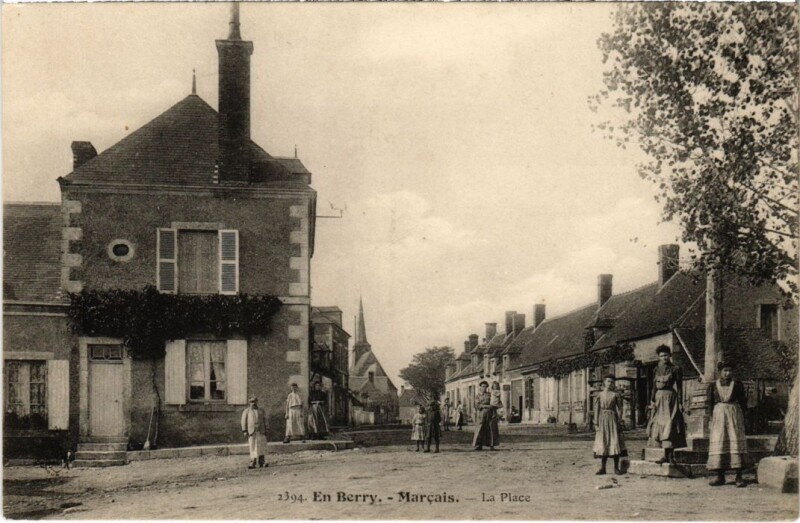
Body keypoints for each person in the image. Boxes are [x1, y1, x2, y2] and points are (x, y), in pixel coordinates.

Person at [707, 361, 749, 487]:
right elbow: (709, 402)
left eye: (730, 370)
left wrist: (743, 417)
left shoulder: (737, 384)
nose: (727, 373)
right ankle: (720, 476)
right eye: (725, 370)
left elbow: (743, 401)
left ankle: (739, 477)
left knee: (735, 441)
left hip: (733, 414)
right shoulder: (713, 385)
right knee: (720, 443)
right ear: (720, 371)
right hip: (719, 415)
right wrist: (710, 417)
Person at [648, 345, 686, 463]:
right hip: (659, 399)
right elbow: (653, 387)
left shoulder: (675, 369)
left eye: (666, 355)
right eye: (661, 356)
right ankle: (665, 455)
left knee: (671, 424)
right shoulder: (655, 369)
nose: (664, 357)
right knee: (661, 425)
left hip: (671, 399)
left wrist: (680, 402)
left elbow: (679, 387)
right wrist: (652, 400)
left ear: (670, 356)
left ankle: (671, 456)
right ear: (658, 357)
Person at [593, 375, 627, 475]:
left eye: (612, 382)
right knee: (604, 442)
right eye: (608, 381)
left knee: (614, 441)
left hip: (613, 419)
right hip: (602, 419)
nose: (610, 383)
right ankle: (603, 468)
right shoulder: (599, 395)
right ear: (604, 382)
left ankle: (616, 468)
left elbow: (620, 408)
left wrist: (620, 420)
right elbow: (596, 410)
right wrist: (596, 423)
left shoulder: (615, 395)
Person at [241, 396, 269, 469]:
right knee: (252, 447)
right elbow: (243, 421)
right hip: (252, 431)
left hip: (261, 431)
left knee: (261, 446)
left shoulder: (261, 410)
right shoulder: (247, 411)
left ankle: (261, 462)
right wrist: (244, 430)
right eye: (251, 402)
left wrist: (267, 429)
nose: (253, 403)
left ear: (257, 402)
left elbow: (265, 420)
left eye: (254, 401)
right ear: (249, 403)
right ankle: (252, 462)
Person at [472, 381, 497, 451]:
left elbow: (494, 403)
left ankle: (492, 445)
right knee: (480, 429)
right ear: (480, 387)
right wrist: (485, 406)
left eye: (485, 386)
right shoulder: (478, 396)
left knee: (491, 428)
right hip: (481, 413)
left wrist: (494, 412)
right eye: (482, 386)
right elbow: (477, 405)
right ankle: (479, 445)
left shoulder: (490, 395)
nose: (484, 388)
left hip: (490, 413)